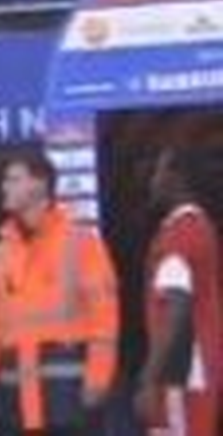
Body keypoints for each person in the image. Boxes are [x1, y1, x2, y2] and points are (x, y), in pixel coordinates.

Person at [0, 152, 120, 435]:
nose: (4, 187)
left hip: (67, 395)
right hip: (14, 399)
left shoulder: (81, 243)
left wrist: (99, 377)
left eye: (13, 179)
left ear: (40, 185)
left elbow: (105, 316)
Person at [135, 148, 221, 436]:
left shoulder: (181, 234)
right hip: (188, 369)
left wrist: (150, 378)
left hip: (180, 372)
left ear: (176, 178)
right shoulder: (196, 227)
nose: (152, 180)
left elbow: (177, 310)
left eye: (158, 171)